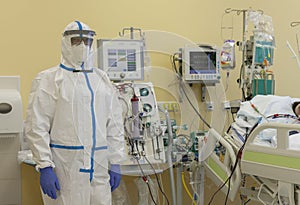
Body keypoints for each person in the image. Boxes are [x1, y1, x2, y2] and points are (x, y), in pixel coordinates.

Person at [25, 20, 125, 205]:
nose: (82, 46)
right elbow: (36, 126)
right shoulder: (49, 80)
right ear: (65, 43)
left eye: (86, 41)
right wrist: (45, 166)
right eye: (76, 41)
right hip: (66, 170)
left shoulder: (102, 80)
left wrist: (116, 161)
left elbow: (115, 124)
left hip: (99, 169)